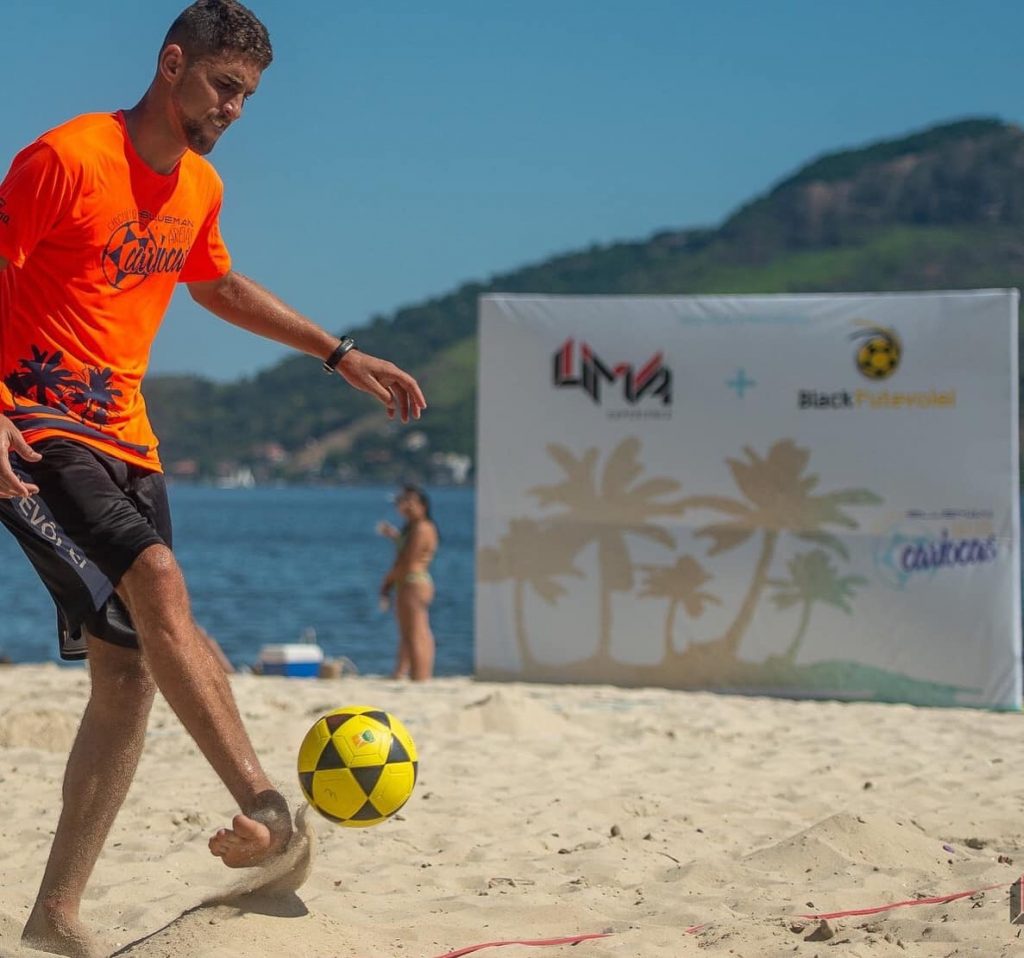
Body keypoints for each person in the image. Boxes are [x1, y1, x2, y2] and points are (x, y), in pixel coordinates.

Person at [0, 3, 426, 956]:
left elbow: (216, 282)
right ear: (171, 62)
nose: (234, 108)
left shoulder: (199, 185)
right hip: (36, 435)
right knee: (158, 584)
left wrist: (335, 352)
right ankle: (271, 810)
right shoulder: (65, 157)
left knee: (129, 672)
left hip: (131, 442)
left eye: (248, 97)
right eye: (223, 86)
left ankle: (54, 913)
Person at [377, 485, 438, 680]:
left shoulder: (421, 528)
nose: (407, 506)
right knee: (412, 631)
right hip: (413, 581)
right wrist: (395, 536)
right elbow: (408, 552)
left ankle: (420, 676)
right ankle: (405, 673)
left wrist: (387, 582)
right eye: (404, 501)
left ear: (423, 505)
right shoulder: (416, 527)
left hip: (413, 582)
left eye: (412, 502)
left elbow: (408, 561)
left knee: (415, 633)